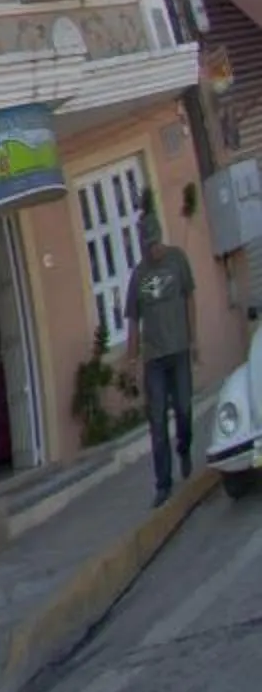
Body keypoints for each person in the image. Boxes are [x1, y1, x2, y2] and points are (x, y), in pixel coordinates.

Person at [126, 207, 197, 506]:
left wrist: (194, 339)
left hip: (179, 350)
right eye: (147, 246)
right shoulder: (139, 275)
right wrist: (132, 361)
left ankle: (184, 447)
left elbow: (190, 297)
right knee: (156, 423)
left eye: (155, 243)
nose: (153, 250)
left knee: (184, 409)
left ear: (161, 238)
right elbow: (133, 320)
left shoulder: (177, 259)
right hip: (154, 358)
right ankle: (163, 483)